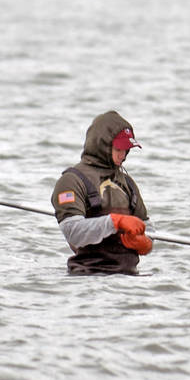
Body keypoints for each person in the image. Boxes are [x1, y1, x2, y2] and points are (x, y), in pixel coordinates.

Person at [52, 111, 151, 275]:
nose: (123, 155)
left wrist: (146, 242)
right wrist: (115, 222)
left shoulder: (128, 184)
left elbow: (148, 227)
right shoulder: (71, 180)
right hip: (88, 277)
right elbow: (72, 231)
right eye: (119, 148)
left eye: (127, 149)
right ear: (103, 145)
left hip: (131, 279)